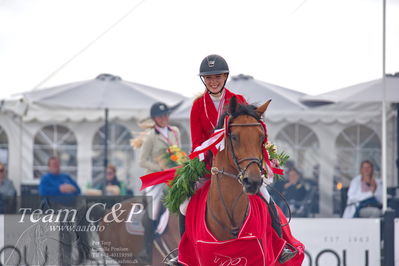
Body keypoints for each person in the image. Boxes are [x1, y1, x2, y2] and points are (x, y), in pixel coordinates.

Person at [183, 54, 299, 263]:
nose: (213, 81)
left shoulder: (238, 100)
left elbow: (249, 135)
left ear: (225, 77)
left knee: (265, 196)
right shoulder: (198, 106)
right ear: (204, 80)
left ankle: (281, 245)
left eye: (217, 77)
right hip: (211, 166)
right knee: (185, 203)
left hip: (241, 166)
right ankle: (183, 253)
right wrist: (210, 162)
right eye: (209, 78)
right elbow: (197, 143)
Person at [139, 101, 181, 262]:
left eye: (165, 115)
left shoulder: (175, 131)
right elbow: (142, 161)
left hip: (173, 176)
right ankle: (146, 248)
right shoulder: (151, 137)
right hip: (156, 178)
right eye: (159, 116)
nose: (163, 118)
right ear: (154, 119)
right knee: (154, 210)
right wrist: (160, 168)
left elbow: (176, 152)